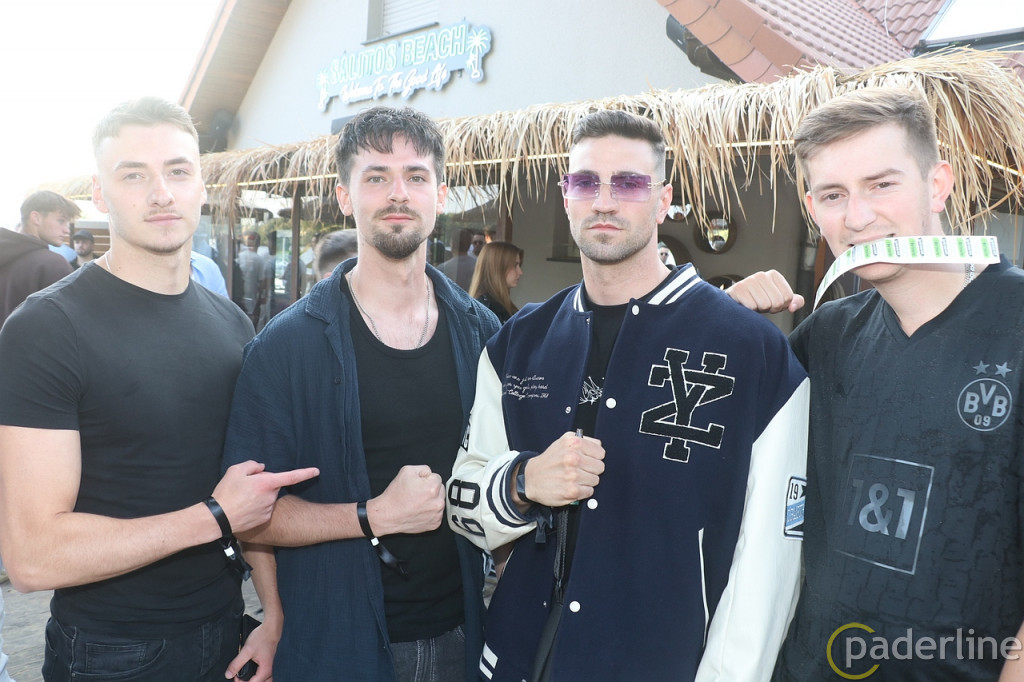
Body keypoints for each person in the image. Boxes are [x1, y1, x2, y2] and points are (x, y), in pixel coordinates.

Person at [447, 109, 809, 681]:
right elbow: (461, 501)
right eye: (585, 182)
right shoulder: (518, 342)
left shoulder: (751, 351)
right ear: (566, 196)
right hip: (518, 657)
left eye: (629, 183)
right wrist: (523, 482)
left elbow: (770, 560)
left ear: (663, 201)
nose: (604, 202)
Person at [0, 96, 319, 682]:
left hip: (227, 631)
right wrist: (214, 515)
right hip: (110, 651)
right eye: (133, 175)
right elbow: (32, 557)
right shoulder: (46, 328)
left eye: (177, 170)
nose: (161, 193)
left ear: (201, 186)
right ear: (99, 195)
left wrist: (272, 616)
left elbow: (251, 491)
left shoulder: (231, 324)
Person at [726, 86, 1024, 680]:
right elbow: (726, 469)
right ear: (813, 208)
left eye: (882, 184)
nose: (857, 217)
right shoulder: (825, 335)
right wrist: (726, 330)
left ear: (937, 185)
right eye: (833, 195)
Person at [221, 105, 500, 681]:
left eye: (416, 176)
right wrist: (374, 516)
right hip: (336, 642)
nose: (398, 193)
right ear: (345, 197)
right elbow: (249, 517)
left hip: (465, 634)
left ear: (441, 195)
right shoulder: (286, 347)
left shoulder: (482, 332)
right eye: (376, 177)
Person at [0, 190, 80, 326]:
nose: (67, 230)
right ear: (36, 218)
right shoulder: (53, 264)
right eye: (61, 221)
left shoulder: (6, 254)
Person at [468, 241, 523, 323]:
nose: (520, 272)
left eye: (519, 265)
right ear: (498, 267)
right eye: (515, 265)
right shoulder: (489, 310)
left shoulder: (494, 306)